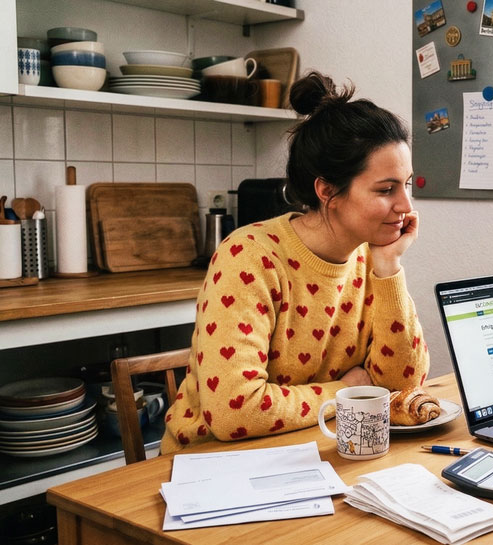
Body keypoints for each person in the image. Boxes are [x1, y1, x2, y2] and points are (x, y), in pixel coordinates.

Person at [162, 71, 430, 453]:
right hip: (211, 467)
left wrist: (389, 269)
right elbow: (235, 413)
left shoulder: (371, 257)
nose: (405, 206)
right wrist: (347, 391)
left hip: (311, 454)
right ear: (327, 191)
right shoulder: (250, 257)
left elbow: (403, 389)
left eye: (407, 185)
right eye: (386, 190)